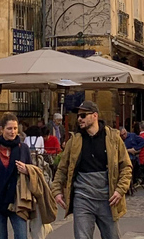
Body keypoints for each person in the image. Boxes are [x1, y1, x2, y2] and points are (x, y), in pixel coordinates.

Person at [51, 101, 132, 239]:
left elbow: (126, 166)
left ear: (95, 115)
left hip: (108, 198)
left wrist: (120, 190)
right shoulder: (75, 140)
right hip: (82, 197)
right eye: (78, 116)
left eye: (83, 115)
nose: (79, 119)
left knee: (112, 236)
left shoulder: (113, 138)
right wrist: (57, 191)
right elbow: (62, 168)